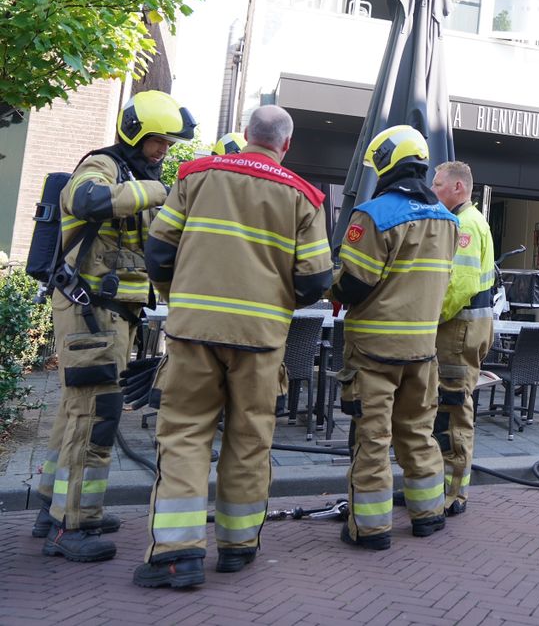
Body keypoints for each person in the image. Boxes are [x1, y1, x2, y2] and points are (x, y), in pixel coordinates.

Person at [132, 105, 332, 588]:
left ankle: (176, 556)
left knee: (184, 434)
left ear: (245, 135)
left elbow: (158, 251)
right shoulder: (304, 197)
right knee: (249, 439)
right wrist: (274, 300)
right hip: (260, 340)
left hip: (193, 332)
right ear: (286, 145)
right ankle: (238, 547)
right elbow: (315, 281)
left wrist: (178, 298)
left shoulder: (195, 175)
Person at [36, 91, 196, 563]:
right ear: (134, 134)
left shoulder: (139, 178)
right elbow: (85, 199)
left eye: (168, 144)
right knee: (96, 414)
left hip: (112, 314)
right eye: (157, 141)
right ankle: (73, 525)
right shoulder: (103, 165)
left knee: (77, 409)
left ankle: (53, 507)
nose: (163, 150)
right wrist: (159, 191)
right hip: (89, 309)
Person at [332, 126, 458, 550]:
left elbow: (354, 284)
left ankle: (370, 529)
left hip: (374, 351)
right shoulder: (448, 220)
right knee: (419, 434)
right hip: (422, 351)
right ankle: (429, 515)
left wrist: (330, 284)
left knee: (373, 441)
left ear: (385, 163)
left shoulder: (372, 215)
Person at [430, 161, 496, 516]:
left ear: (458, 187)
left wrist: (430, 318)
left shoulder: (465, 224)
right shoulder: (468, 220)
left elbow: (460, 285)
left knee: (452, 411)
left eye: (438, 184)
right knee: (443, 410)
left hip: (457, 331)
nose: (433, 189)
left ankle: (452, 494)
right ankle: (435, 489)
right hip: (463, 329)